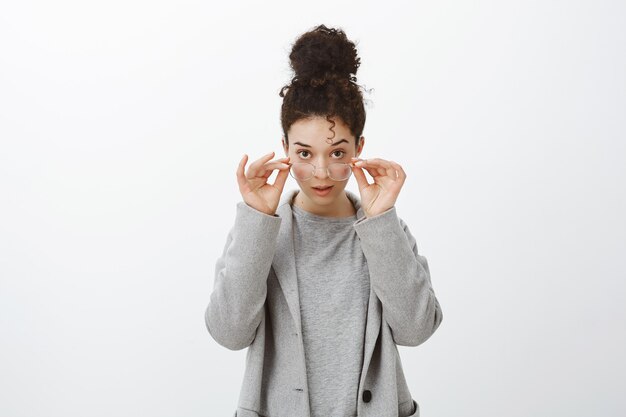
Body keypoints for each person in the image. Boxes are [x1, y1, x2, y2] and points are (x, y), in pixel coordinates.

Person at [205, 24, 443, 417]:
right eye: (303, 153)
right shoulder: (264, 230)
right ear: (284, 149)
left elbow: (416, 330)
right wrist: (256, 218)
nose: (320, 171)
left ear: (359, 149)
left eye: (336, 153)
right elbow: (229, 333)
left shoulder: (382, 229)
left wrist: (381, 219)